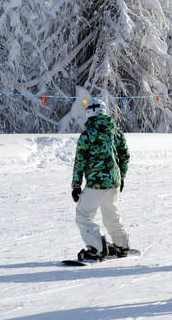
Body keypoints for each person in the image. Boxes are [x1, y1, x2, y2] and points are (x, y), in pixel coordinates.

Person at [71, 98, 130, 262]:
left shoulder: (87, 135)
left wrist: (76, 184)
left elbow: (80, 161)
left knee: (83, 215)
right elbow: (125, 155)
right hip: (114, 182)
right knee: (110, 212)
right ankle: (122, 245)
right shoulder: (115, 131)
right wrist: (121, 175)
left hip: (96, 182)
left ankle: (97, 248)